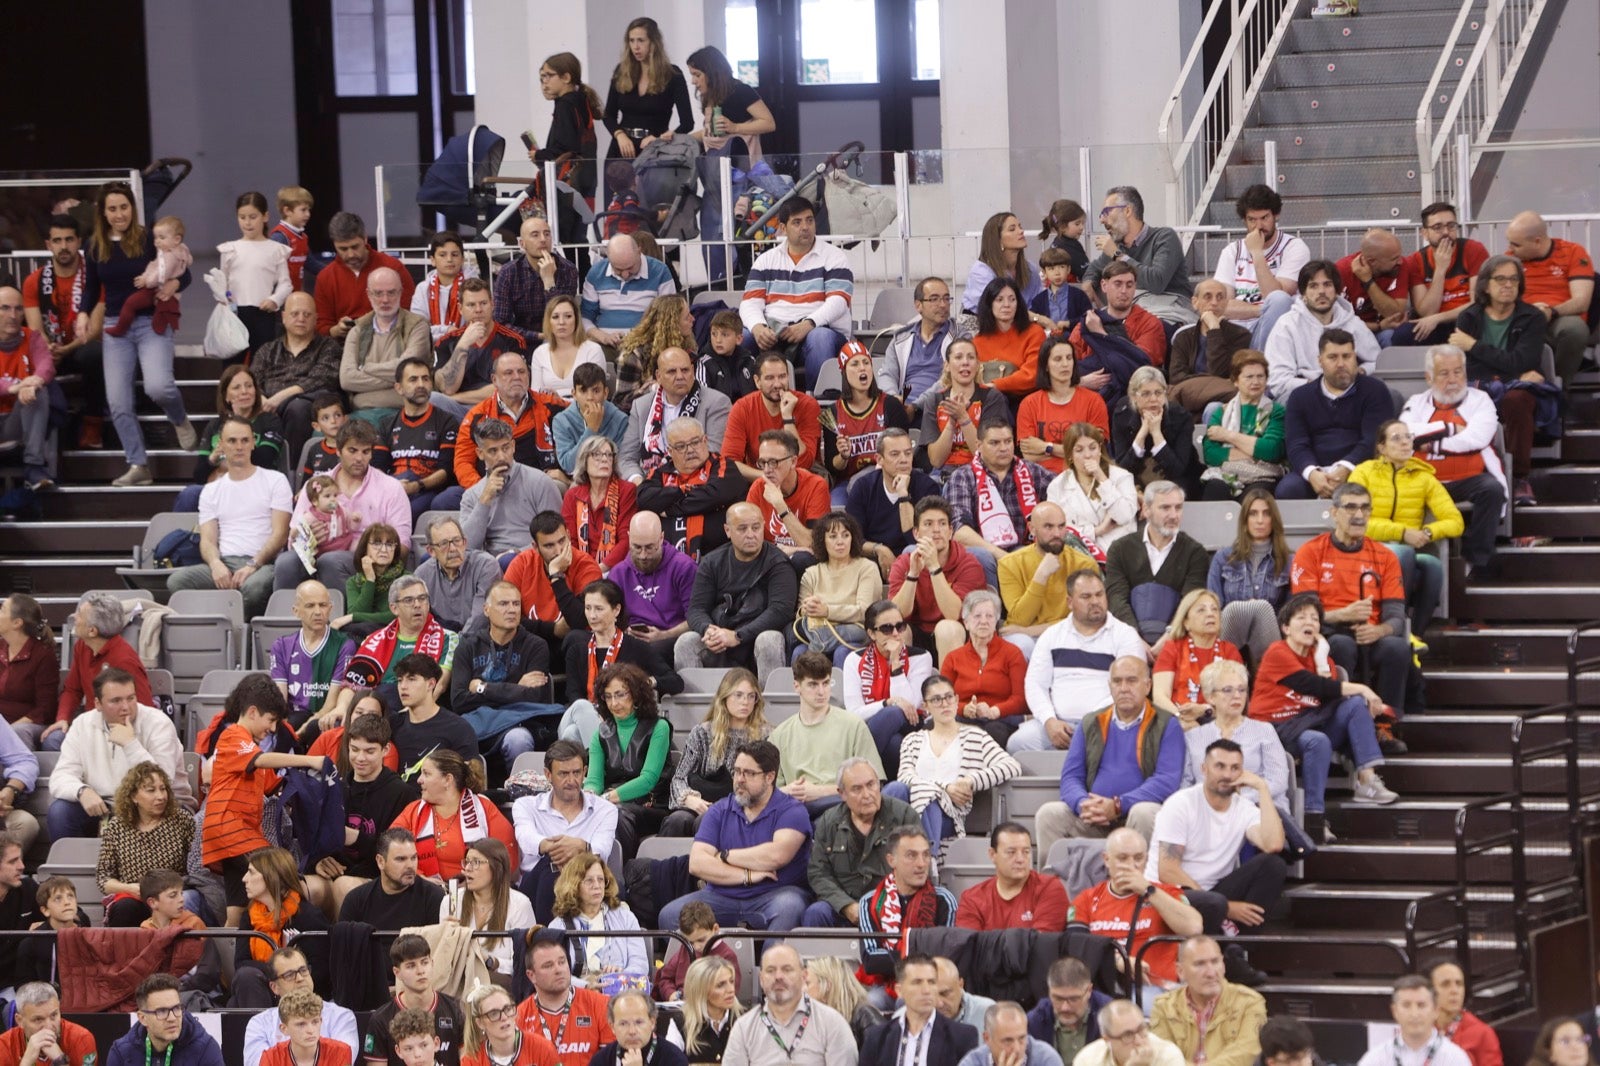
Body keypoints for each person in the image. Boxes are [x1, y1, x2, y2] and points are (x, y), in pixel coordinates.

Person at [76, 181, 197, 487]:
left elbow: (184, 269)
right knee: (117, 401)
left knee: (159, 387)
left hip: (150, 321)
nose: (120, 214)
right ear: (103, 213)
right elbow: (91, 288)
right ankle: (138, 464)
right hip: (115, 328)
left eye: (124, 207)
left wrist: (174, 285)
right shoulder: (94, 246)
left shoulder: (147, 239)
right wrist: (82, 314)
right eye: (113, 209)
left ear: (133, 208)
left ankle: (179, 418)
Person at [1249, 593, 1399, 839]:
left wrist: (1320, 658)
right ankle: (1314, 819)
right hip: (1276, 729)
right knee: (1324, 732)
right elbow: (1315, 687)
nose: (1310, 622)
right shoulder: (1277, 652)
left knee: (1352, 707)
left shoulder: (1322, 658)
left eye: (1315, 619)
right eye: (1302, 618)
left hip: (1310, 721)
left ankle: (1367, 779)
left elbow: (1328, 695)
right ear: (1286, 627)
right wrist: (1364, 688)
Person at [1033, 656, 1184, 857]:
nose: (1123, 688)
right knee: (1049, 814)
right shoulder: (1091, 722)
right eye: (1117, 681)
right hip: (1092, 819)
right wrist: (1083, 804)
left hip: (1133, 818)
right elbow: (1070, 777)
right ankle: (1053, 887)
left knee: (1145, 812)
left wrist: (1119, 805)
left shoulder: (1167, 724)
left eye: (1131, 681)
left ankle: (1144, 886)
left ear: (1147, 686)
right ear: (1109, 686)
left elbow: (1166, 781)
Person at [1290, 481, 1412, 730]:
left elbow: (1397, 616)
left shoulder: (1385, 556)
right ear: (1334, 513)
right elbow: (1302, 614)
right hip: (1327, 631)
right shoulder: (1311, 552)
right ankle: (1341, 723)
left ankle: (1385, 727)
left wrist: (1379, 630)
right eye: (1351, 508)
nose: (1359, 515)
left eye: (1365, 508)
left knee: (1397, 648)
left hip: (1370, 632)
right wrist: (1341, 615)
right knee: (1342, 645)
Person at [658, 739, 813, 933]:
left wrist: (724, 856)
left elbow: (776, 856)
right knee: (670, 916)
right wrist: (747, 876)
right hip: (721, 896)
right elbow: (697, 864)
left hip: (775, 894)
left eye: (749, 773)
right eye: (737, 771)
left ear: (769, 777)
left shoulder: (792, 810)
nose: (740, 779)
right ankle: (711, 962)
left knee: (790, 907)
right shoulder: (719, 810)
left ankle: (770, 963)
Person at [1147, 739, 1287, 939]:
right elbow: (1167, 870)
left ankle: (1240, 949)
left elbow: (1273, 845)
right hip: (1172, 894)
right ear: (1204, 769)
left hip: (1215, 892)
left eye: (1235, 768)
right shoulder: (1181, 804)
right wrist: (1227, 907)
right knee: (1214, 903)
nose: (1227, 775)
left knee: (1273, 865)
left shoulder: (1244, 808)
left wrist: (1262, 789)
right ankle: (1224, 947)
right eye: (1220, 766)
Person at [1350, 420, 1464, 636]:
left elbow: (1455, 521)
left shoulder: (1424, 478)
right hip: (1365, 548)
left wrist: (1428, 532)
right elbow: (1355, 521)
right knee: (1402, 552)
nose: (1405, 443)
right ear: (1381, 448)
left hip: (1408, 550)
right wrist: (1402, 533)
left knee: (1431, 564)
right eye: (1396, 438)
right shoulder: (1364, 472)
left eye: (1408, 437)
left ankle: (1414, 634)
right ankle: (1396, 624)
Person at [49, 668, 191, 841]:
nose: (126, 707)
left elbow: (161, 782)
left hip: (159, 805)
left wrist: (130, 744)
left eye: (130, 698)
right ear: (98, 704)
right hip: (104, 805)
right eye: (116, 701)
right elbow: (60, 776)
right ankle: (72, 867)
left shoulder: (158, 723)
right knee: (60, 811)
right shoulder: (82, 724)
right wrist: (82, 791)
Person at [1447, 258, 1545, 508]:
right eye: (1500, 279)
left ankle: (1520, 478)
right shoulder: (1468, 317)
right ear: (1485, 285)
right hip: (1477, 387)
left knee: (1518, 399)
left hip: (1514, 391)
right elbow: (1467, 367)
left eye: (1514, 279)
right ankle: (1469, 476)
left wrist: (1474, 346)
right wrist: (1510, 369)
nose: (1508, 285)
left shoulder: (1532, 317)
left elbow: (1523, 361)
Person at [1012, 571, 1145, 754]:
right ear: (1069, 602)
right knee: (1018, 744)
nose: (1095, 601)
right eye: (1086, 596)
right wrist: (1050, 721)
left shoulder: (1125, 635)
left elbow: (1131, 687)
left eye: (1099, 594)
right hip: (1058, 724)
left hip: (1108, 722)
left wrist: (1090, 722)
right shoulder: (1052, 635)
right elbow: (1035, 684)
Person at [274, 420, 412, 593]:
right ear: (338, 450)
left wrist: (373, 552)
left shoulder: (391, 487)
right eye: (352, 450)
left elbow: (403, 544)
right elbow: (293, 538)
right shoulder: (315, 485)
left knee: (331, 561)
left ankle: (342, 618)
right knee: (286, 562)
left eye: (366, 452)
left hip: (366, 560)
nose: (359, 458)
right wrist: (307, 539)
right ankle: (289, 618)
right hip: (316, 553)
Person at [1071, 829, 1203, 1003]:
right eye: (1122, 858)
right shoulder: (1086, 899)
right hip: (1103, 989)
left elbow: (1194, 928)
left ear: (1147, 860)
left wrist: (1148, 891)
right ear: (1106, 860)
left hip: (1156, 989)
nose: (1131, 865)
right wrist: (1118, 960)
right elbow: (1075, 948)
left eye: (1138, 858)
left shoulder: (1166, 893)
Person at [886, 675, 1021, 843]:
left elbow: (1011, 766)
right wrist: (945, 788)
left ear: (957, 700)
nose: (944, 704)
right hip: (912, 810)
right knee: (894, 789)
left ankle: (927, 865)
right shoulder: (912, 740)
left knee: (930, 803)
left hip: (948, 816)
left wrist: (972, 780)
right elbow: (905, 777)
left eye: (949, 697)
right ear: (925, 706)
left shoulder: (975, 736)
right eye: (936, 699)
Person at [738, 196, 853, 389]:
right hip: (774, 333)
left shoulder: (834, 257)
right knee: (743, 337)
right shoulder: (766, 260)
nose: (805, 227)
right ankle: (747, 405)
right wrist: (758, 327)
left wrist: (808, 324)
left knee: (820, 338)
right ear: (783, 227)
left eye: (809, 220)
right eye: (797, 222)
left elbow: (839, 301)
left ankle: (817, 406)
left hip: (820, 331)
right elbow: (750, 302)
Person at [675, 502, 796, 681]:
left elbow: (780, 611)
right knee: (686, 642)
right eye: (742, 529)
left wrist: (738, 636)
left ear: (763, 526)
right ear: (727, 530)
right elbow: (696, 609)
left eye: (756, 528)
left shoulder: (778, 562)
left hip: (756, 635)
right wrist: (708, 630)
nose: (751, 535)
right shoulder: (711, 562)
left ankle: (769, 706)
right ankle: (697, 708)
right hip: (721, 635)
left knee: (769, 640)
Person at [309, 715, 415, 916]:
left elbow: (398, 852)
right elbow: (317, 839)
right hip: (336, 874)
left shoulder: (401, 793)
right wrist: (320, 861)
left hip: (377, 879)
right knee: (301, 887)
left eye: (369, 751)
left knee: (343, 885)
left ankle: (345, 946)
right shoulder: (336, 787)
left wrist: (356, 837)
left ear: (385, 750)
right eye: (354, 749)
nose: (360, 758)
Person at [803, 757, 921, 927]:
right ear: (842, 794)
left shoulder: (903, 816)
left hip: (891, 904)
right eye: (857, 789)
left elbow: (917, 867)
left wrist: (884, 905)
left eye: (871, 785)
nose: (867, 795)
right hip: (844, 907)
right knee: (816, 913)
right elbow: (818, 873)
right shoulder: (829, 822)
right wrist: (846, 906)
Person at [1277, 329, 1395, 500]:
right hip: (1315, 469)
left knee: (1369, 485)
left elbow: (1373, 440)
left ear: (1355, 358)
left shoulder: (1375, 390)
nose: (1341, 364)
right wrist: (1312, 473)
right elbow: (1296, 444)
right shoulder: (1300, 396)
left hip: (1359, 467)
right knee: (1288, 490)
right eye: (1333, 357)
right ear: (1320, 361)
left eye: (1347, 356)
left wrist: (1345, 468)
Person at [23, 214, 105, 450]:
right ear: (48, 245)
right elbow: (35, 328)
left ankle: (93, 426)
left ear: (79, 242)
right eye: (57, 241)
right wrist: (48, 349)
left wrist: (66, 349)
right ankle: (44, 432)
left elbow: (95, 328)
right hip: (51, 350)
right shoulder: (34, 281)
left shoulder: (95, 277)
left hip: (81, 348)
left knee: (94, 354)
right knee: (29, 357)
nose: (64, 246)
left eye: (69, 239)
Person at [1180, 659, 1294, 828]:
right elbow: (1185, 783)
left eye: (1242, 690)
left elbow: (1278, 781)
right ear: (1210, 697)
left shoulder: (1264, 730)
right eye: (1228, 690)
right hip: (1206, 814)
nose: (1237, 696)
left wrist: (1235, 801)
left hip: (1256, 812)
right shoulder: (1194, 736)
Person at [451, 581, 553, 769]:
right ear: (486, 609)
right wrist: (516, 688)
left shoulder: (536, 645)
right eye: (503, 604)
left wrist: (482, 688)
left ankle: (521, 794)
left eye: (516, 604)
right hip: (478, 722)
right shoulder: (468, 646)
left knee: (518, 740)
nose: (512, 610)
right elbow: (459, 700)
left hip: (520, 722)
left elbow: (535, 697)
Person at [512, 740, 618, 921]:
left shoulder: (606, 810)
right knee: (550, 867)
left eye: (576, 773)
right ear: (548, 774)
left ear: (584, 772)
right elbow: (526, 838)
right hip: (538, 885)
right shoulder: (526, 805)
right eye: (563, 774)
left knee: (600, 878)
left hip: (587, 882)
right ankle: (546, 940)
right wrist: (552, 847)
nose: (571, 781)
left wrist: (582, 848)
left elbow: (603, 849)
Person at [771, 652, 884, 817]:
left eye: (826, 683)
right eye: (813, 685)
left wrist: (819, 792)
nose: (821, 692)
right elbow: (770, 793)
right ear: (797, 686)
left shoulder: (853, 725)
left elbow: (875, 784)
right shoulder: (779, 735)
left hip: (841, 806)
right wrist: (792, 791)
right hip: (796, 810)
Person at [946, 418, 1053, 592]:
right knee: (981, 556)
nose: (1003, 448)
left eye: (1008, 441)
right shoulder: (963, 476)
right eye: (995, 443)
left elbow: (1067, 496)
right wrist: (1002, 556)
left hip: (1027, 547)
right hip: (985, 552)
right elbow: (958, 531)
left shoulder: (1032, 471)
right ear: (979, 445)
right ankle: (991, 614)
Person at [580, 662, 672, 859]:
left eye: (621, 694)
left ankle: (623, 871)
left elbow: (648, 780)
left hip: (650, 805)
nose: (614, 703)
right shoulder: (601, 733)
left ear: (636, 694)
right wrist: (589, 794)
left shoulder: (659, 727)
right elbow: (594, 780)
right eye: (608, 696)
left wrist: (605, 799)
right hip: (612, 804)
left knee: (614, 814)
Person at [1104, 481, 1208, 647]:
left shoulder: (1195, 553)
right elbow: (1117, 599)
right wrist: (1134, 640)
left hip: (1176, 641)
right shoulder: (1120, 549)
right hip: (1127, 639)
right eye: (1165, 508)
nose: (1174, 515)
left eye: (1178, 507)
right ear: (1146, 510)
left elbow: (1189, 602)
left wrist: (1167, 640)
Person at [391, 747, 517, 882]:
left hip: (476, 893)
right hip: (422, 892)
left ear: (447, 779)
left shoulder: (484, 809)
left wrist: (471, 886)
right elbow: (390, 850)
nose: (419, 780)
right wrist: (419, 879)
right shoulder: (413, 811)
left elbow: (507, 861)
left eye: (426, 774)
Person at [229, 846, 332, 1008]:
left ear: (271, 876)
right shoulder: (248, 916)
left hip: (300, 997)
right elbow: (241, 963)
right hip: (262, 986)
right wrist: (279, 972)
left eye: (251, 872)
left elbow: (321, 971)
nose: (244, 879)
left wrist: (286, 978)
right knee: (245, 978)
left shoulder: (308, 916)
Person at [638, 416, 752, 561]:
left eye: (695, 442)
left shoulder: (723, 465)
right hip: (666, 561)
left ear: (705, 440)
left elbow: (714, 495)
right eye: (680, 446)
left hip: (721, 558)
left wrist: (669, 508)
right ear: (670, 451)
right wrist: (681, 490)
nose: (690, 450)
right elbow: (644, 498)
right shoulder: (660, 473)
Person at [722, 944, 858, 1066]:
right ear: (761, 979)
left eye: (787, 970)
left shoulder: (832, 1023)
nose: (778, 976)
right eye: (770, 970)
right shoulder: (744, 1028)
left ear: (803, 976)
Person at [96, 761, 196, 925]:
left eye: (163, 789)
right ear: (134, 796)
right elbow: (103, 879)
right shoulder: (117, 827)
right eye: (151, 790)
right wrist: (129, 888)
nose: (160, 796)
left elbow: (196, 868)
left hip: (172, 897)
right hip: (134, 897)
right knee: (124, 908)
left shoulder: (182, 820)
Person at [456, 349, 571, 491]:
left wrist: (567, 478)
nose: (517, 377)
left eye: (521, 372)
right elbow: (463, 461)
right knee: (446, 500)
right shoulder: (477, 415)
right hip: (494, 485)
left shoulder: (552, 405)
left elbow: (584, 416)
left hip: (540, 484)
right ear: (494, 380)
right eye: (508, 373)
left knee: (555, 486)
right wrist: (482, 488)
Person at [889, 498, 988, 663]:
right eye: (928, 524)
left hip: (958, 636)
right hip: (919, 634)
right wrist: (913, 574)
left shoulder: (969, 564)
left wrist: (934, 567)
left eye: (942, 524)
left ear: (950, 532)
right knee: (897, 631)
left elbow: (954, 614)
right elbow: (898, 614)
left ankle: (947, 689)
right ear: (916, 533)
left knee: (946, 628)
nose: (936, 530)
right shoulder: (904, 563)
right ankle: (902, 686)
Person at [1263, 260, 1380, 401]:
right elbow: (1277, 381)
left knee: (1389, 395)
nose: (1321, 292)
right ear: (1303, 293)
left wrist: (1362, 371)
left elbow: (1378, 362)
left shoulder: (1352, 322)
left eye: (1327, 284)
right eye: (1313, 286)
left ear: (1336, 291)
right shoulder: (1287, 325)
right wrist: (1322, 387)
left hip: (1349, 391)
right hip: (1306, 393)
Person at [1503, 210, 1595, 384]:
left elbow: (1581, 301)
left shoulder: (1573, 252)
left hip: (1559, 318)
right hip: (1523, 318)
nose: (1510, 249)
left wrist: (1550, 312)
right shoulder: (1510, 259)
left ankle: (1558, 387)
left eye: (1516, 245)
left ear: (1537, 241)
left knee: (1575, 330)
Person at [843, 600, 937, 770]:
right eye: (887, 629)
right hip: (872, 729)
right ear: (872, 634)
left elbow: (910, 705)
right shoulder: (854, 660)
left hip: (912, 726)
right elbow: (854, 713)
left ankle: (857, 773)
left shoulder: (921, 657)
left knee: (894, 712)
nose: (895, 633)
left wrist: (895, 663)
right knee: (894, 743)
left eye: (900, 626)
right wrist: (887, 702)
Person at [459, 417, 565, 564]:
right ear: (480, 453)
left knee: (507, 561)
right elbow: (467, 547)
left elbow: (557, 536)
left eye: (505, 448)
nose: (501, 456)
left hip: (531, 558)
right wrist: (485, 500)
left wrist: (517, 554)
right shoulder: (472, 495)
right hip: (489, 564)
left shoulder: (539, 482)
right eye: (493, 451)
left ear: (513, 446)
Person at [53, 591, 151, 748]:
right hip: (90, 725)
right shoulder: (82, 647)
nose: (74, 617)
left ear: (92, 631)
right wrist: (62, 718)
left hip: (116, 730)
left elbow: (142, 709)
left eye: (79, 615)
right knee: (54, 739)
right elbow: (72, 689)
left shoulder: (124, 660)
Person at [1213, 184, 1308, 346]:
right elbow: (1221, 305)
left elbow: (1276, 298)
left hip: (1277, 326)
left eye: (1264, 218)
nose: (1258, 226)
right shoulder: (1232, 251)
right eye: (1252, 219)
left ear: (1276, 215)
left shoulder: (1294, 247)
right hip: (1237, 327)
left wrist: (1257, 253)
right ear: (1244, 220)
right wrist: (1261, 310)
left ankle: (1261, 363)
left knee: (1280, 300)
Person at [1206, 488, 1292, 666]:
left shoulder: (1289, 561)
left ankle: (1264, 681)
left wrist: (1259, 614)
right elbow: (1214, 606)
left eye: (1266, 514)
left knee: (1261, 609)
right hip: (1229, 634)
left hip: (1270, 638)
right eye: (1253, 514)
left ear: (1273, 520)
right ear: (1244, 521)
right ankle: (1226, 675)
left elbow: (1291, 613)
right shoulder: (1223, 558)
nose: (1260, 520)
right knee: (1232, 610)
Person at [1150, 935, 1266, 1066]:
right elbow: (1162, 1057)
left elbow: (1247, 1053)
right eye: (1200, 964)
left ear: (1223, 965)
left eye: (1215, 962)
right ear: (1180, 971)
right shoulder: (1163, 1006)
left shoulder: (1250, 1002)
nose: (1211, 973)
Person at [621, 345, 732, 482]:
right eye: (672, 372)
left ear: (693, 371)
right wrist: (640, 484)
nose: (680, 376)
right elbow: (627, 458)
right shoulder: (642, 406)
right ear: (658, 376)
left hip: (696, 486)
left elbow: (713, 454)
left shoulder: (716, 403)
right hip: (648, 487)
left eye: (685, 370)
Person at [1083, 185, 1194, 322]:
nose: (1101, 220)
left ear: (1127, 211)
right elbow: (1094, 268)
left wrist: (1118, 255)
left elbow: (1157, 282)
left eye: (1107, 212)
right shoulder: (1118, 246)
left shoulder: (1164, 237)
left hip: (1169, 312)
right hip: (1134, 313)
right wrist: (1088, 284)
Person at [1069, 262, 1167, 411]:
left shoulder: (1150, 324)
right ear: (1104, 285)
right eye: (1118, 284)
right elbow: (1065, 364)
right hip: (1086, 395)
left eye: (1129, 285)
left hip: (1134, 399)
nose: (1124, 291)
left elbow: (1140, 366)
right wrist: (1079, 382)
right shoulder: (1087, 322)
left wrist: (1101, 335)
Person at [528, 51, 600, 252]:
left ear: (566, 77)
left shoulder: (566, 104)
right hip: (585, 179)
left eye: (549, 76)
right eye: (541, 77)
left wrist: (539, 155)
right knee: (578, 241)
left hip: (567, 183)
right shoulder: (580, 101)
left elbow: (566, 146)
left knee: (565, 240)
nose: (544, 82)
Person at [939, 590, 1030, 748]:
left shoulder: (1012, 653)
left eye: (989, 616)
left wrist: (994, 711)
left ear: (996, 622)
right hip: (961, 719)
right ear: (966, 622)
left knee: (993, 732)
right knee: (933, 731)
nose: (984, 621)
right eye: (977, 616)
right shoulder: (953, 658)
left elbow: (1021, 700)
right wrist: (964, 708)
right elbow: (942, 698)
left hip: (1000, 720)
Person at [844, 428, 941, 575]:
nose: (904, 459)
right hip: (873, 561)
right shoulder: (863, 487)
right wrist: (879, 549)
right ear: (879, 459)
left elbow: (916, 540)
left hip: (916, 560)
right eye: (895, 454)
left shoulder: (927, 487)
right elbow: (852, 538)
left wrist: (903, 495)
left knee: (913, 552)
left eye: (908, 453)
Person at [547, 852, 648, 989]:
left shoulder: (625, 918)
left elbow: (640, 964)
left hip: (619, 993)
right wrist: (586, 985)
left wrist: (620, 977)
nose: (597, 886)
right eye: (589, 880)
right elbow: (555, 974)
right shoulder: (558, 926)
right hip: (577, 996)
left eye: (601, 880)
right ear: (574, 885)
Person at [379, 358, 464, 519]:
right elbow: (378, 469)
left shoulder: (446, 421)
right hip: (393, 487)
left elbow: (446, 472)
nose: (421, 385)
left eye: (425, 379)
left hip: (427, 489)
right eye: (413, 379)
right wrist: (394, 486)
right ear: (399, 388)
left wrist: (415, 486)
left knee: (404, 511)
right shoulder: (386, 424)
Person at [338, 267, 430, 414]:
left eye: (391, 292)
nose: (385, 300)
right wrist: (397, 381)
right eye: (378, 293)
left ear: (401, 292)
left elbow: (409, 372)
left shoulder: (417, 326)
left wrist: (367, 368)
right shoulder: (357, 331)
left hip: (404, 410)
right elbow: (347, 380)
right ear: (368, 294)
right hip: (363, 415)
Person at [365, 934, 468, 1066]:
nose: (420, 971)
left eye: (424, 962)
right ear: (397, 972)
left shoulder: (456, 1009)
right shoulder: (380, 1019)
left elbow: (468, 1059)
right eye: (411, 966)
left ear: (432, 963)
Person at [825, 339, 913, 492]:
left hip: (889, 475)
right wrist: (844, 456)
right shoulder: (832, 412)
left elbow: (903, 451)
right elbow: (832, 467)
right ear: (844, 372)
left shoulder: (891, 405)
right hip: (847, 482)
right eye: (855, 364)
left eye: (866, 362)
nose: (862, 368)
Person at [517, 932, 617, 1066]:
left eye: (562, 962)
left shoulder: (600, 1004)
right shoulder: (520, 1016)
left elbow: (612, 1060)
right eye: (548, 965)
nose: (558, 969)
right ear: (531, 976)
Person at [861, 954, 980, 1066]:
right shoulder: (877, 1037)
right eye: (917, 982)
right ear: (899, 990)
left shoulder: (962, 1036)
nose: (926, 990)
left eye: (932, 982)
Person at [440, 838, 534, 980]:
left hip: (500, 982)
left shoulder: (520, 904)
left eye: (476, 862)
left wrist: (491, 961)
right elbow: (442, 960)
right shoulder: (450, 902)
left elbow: (524, 964)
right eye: (466, 862)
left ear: (497, 867)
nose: (467, 869)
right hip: (459, 979)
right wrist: (444, 938)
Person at [604, 17, 694, 163]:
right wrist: (619, 135)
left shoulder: (672, 75)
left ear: (653, 42)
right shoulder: (621, 71)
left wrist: (661, 139)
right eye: (631, 41)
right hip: (622, 149)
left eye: (641, 40)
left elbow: (687, 122)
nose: (635, 46)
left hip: (655, 150)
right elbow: (608, 115)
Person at [1018, 336, 1111, 476]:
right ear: (1046, 366)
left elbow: (1094, 452)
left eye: (1069, 358)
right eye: (1058, 359)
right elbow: (1029, 455)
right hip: (1041, 478)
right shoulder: (1029, 404)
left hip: (1084, 476)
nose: (1065, 364)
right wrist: (1076, 452)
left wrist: (1046, 447)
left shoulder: (1094, 401)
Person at [793, 511, 879, 661]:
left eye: (845, 535)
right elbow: (801, 615)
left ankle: (820, 643)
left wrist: (827, 611)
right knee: (799, 652)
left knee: (842, 652)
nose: (840, 542)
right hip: (820, 629)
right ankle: (820, 643)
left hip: (856, 631)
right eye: (833, 536)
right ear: (822, 541)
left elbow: (865, 611)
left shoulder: (867, 568)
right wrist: (807, 608)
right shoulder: (811, 573)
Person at [1152, 590, 1245, 728]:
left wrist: (1205, 711)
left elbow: (1236, 700)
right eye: (1201, 610)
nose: (1210, 614)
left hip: (1219, 721)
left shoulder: (1229, 651)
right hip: (1178, 719)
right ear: (1186, 623)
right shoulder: (1172, 648)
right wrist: (1180, 717)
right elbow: (1160, 696)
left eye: (1214, 609)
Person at [1401, 201, 1491, 344]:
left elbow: (1478, 304)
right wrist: (1440, 270)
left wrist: (1439, 318)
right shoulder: (1415, 261)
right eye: (1438, 227)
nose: (1446, 232)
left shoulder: (1474, 250)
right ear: (1424, 233)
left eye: (1451, 226)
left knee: (1478, 325)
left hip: (1467, 319)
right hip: (1434, 323)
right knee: (1402, 335)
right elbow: (1427, 312)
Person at [1200, 350, 1285, 500]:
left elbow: (1271, 450)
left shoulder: (1276, 411)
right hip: (1226, 474)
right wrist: (1252, 452)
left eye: (1260, 376)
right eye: (1249, 377)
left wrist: (1227, 435)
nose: (1256, 382)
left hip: (1263, 475)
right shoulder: (1221, 412)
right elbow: (1211, 455)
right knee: (1215, 488)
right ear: (1235, 381)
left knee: (1255, 496)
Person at [722, 353, 824, 476]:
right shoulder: (742, 408)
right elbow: (730, 463)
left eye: (782, 376)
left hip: (802, 483)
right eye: (769, 378)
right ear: (757, 381)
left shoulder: (808, 405)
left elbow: (803, 463)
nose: (777, 384)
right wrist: (768, 477)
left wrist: (788, 418)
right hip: (759, 481)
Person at [610, 511, 697, 654]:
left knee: (651, 650)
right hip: (632, 641)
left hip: (671, 638)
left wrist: (664, 636)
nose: (643, 555)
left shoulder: (684, 568)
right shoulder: (619, 573)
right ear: (629, 537)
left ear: (661, 538)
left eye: (650, 547)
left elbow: (696, 619)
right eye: (637, 547)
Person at [922, 338, 1009, 478]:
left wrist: (963, 418)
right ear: (947, 366)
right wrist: (951, 422)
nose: (965, 362)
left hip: (981, 472)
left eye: (971, 357)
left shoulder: (992, 397)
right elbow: (936, 461)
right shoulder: (934, 400)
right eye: (958, 357)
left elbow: (987, 456)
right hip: (943, 474)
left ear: (978, 365)